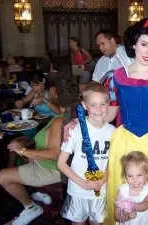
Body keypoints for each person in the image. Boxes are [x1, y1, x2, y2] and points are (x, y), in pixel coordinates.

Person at [64, 18, 148, 225]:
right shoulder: (115, 78)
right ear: (133, 44)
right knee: (125, 188)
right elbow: (106, 116)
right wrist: (81, 124)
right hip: (125, 141)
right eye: (144, 44)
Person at [0, 77, 80, 225]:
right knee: (23, 144)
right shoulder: (71, 113)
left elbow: (54, 154)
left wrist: (23, 151)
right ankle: (36, 192)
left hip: (52, 169)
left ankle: (31, 208)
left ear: (56, 96)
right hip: (58, 167)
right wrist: (27, 144)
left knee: (3, 177)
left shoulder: (58, 121)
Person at [58, 83, 115, 224]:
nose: (99, 109)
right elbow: (61, 163)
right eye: (93, 105)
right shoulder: (75, 130)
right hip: (78, 191)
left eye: (103, 104)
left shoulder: (113, 132)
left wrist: (104, 179)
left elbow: (112, 163)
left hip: (100, 191)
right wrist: (82, 183)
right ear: (84, 105)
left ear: (108, 104)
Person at [115, 151, 148, 225]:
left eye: (139, 175)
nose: (135, 180)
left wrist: (132, 206)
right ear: (125, 175)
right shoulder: (122, 190)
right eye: (130, 176)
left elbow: (145, 205)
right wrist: (128, 216)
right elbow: (117, 216)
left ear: (146, 174)